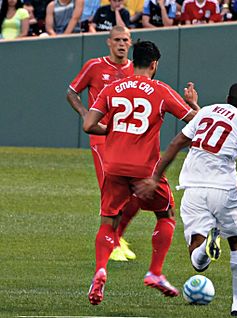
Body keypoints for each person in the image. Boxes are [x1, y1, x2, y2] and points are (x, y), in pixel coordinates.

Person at [82, 40, 200, 305]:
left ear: (133, 62)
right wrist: (194, 103)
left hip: (113, 166)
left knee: (108, 222)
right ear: (155, 64)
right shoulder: (160, 90)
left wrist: (112, 132)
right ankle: (155, 272)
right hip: (145, 170)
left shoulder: (112, 88)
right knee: (165, 214)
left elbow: (89, 125)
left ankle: (100, 269)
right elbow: (196, 123)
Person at [136, 83, 237, 316]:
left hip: (193, 189)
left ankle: (206, 249)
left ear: (227, 98)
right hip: (224, 190)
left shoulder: (206, 111)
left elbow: (176, 143)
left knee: (198, 262)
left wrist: (155, 177)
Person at [67, 26, 138, 262]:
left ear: (130, 43)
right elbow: (72, 92)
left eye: (125, 40)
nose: (121, 43)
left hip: (126, 138)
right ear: (109, 42)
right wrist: (85, 114)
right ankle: (112, 242)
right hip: (101, 136)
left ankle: (116, 237)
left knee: (134, 191)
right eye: (117, 39)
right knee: (110, 189)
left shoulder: (134, 70)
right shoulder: (95, 66)